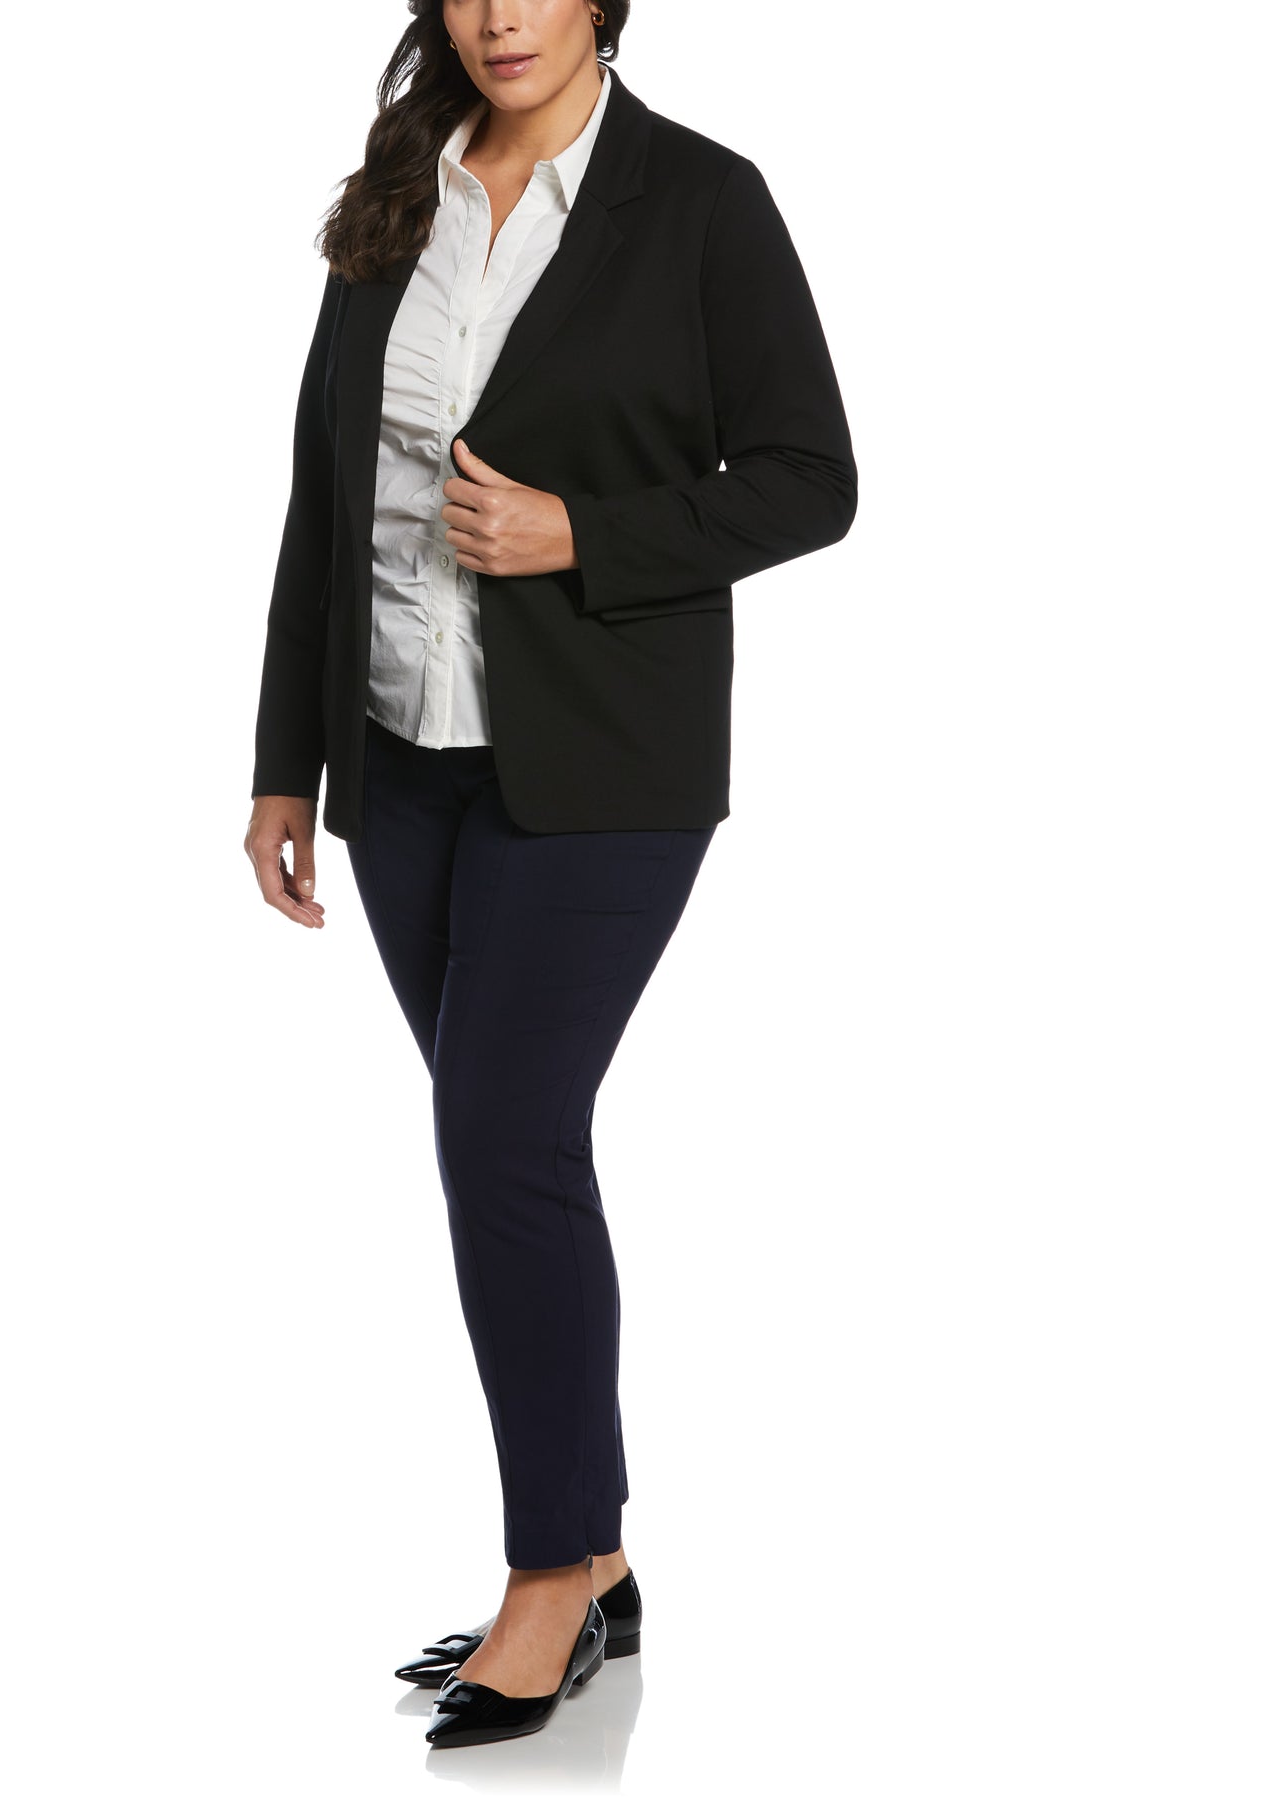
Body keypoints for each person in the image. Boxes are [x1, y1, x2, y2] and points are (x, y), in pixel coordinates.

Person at [244, 0, 855, 1751]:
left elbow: (812, 480)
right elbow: (325, 488)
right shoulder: (398, 188)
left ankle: (547, 1575)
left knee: (501, 1144)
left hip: (602, 766)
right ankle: (596, 1559)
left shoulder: (700, 201)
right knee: (513, 1151)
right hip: (396, 764)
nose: (500, 16)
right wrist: (285, 757)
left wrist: (581, 532)